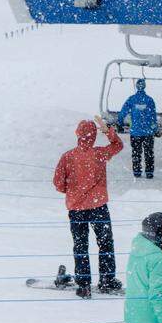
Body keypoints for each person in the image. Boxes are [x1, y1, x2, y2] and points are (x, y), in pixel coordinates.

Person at [53, 116, 124, 298]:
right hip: (98, 205)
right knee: (105, 243)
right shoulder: (99, 154)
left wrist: (73, 191)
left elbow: (58, 183)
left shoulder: (67, 157)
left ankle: (83, 283)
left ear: (77, 134)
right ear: (93, 136)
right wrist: (108, 131)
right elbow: (118, 145)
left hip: (76, 208)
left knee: (80, 245)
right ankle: (107, 280)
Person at [118, 79, 159, 179]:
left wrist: (120, 123)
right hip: (148, 133)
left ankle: (137, 172)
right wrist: (155, 130)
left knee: (136, 153)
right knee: (149, 153)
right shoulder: (149, 100)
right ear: (144, 86)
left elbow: (123, 112)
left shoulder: (131, 99)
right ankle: (149, 172)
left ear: (137, 86)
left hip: (135, 132)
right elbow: (153, 118)